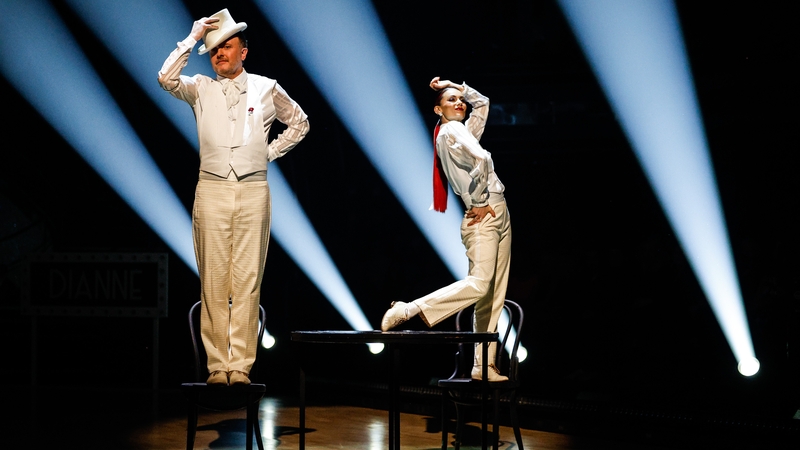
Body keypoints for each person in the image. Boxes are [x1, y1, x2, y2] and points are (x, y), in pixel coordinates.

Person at [157, 9, 309, 386]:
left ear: (244, 50)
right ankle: (216, 367)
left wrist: (268, 153)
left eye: (227, 46)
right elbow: (165, 78)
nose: (219, 53)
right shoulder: (200, 87)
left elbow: (301, 122)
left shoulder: (266, 86)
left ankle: (239, 367)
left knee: (246, 279)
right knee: (213, 279)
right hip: (211, 188)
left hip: (254, 188)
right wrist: (192, 39)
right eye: (213, 50)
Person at [380, 77, 511, 381]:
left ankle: (484, 365)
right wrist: (479, 201)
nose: (459, 103)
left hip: (496, 210)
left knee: (492, 295)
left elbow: (484, 104)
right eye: (451, 100)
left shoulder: (459, 132)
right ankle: (408, 309)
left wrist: (460, 87)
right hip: (485, 213)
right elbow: (484, 158)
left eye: (459, 99)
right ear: (438, 109)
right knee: (480, 285)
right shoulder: (451, 131)